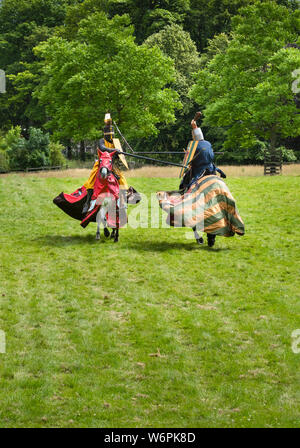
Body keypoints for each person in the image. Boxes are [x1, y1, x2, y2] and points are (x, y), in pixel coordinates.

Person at [82, 113, 130, 213]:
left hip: (112, 165)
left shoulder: (115, 142)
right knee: (92, 179)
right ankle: (87, 203)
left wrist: (118, 152)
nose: (110, 137)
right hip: (102, 163)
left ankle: (122, 202)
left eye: (111, 135)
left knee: (122, 180)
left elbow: (118, 154)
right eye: (108, 135)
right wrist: (114, 150)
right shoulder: (101, 141)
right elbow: (103, 149)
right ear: (105, 134)